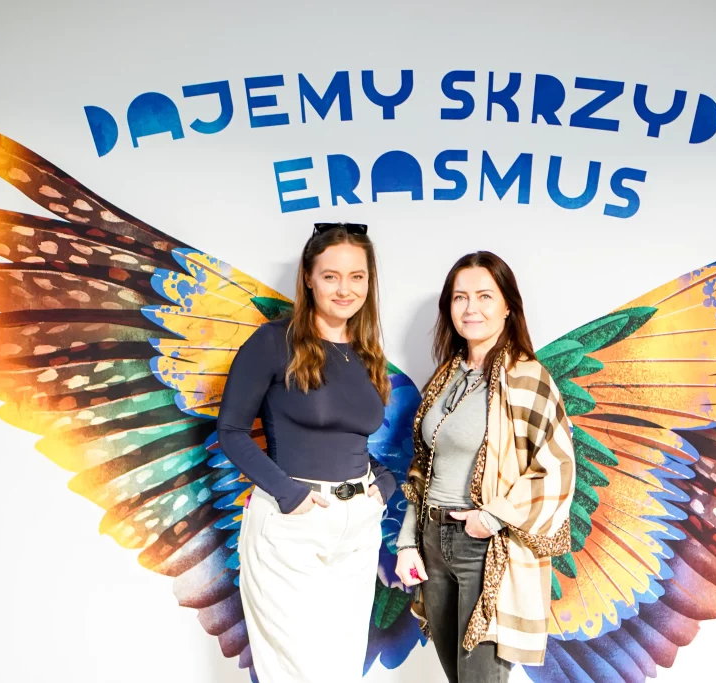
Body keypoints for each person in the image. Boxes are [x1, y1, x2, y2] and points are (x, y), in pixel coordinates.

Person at [217, 222, 396, 682]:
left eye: (357, 276)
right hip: (292, 526)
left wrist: (383, 480)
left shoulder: (366, 352)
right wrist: (288, 494)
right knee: (298, 673)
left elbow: (351, 438)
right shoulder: (272, 343)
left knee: (341, 671)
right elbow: (232, 431)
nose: (345, 289)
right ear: (309, 278)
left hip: (358, 528)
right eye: (331, 276)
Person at [394, 251, 576, 682]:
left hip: (484, 547)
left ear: (507, 305)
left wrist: (491, 518)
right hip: (432, 542)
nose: (470, 308)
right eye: (460, 297)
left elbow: (557, 466)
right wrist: (406, 542)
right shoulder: (447, 376)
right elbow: (424, 468)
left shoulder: (526, 378)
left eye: (484, 296)